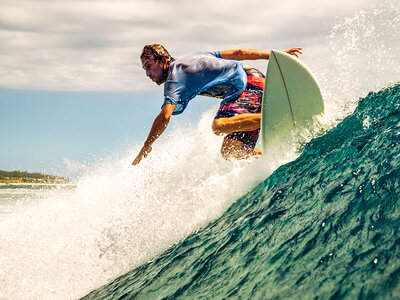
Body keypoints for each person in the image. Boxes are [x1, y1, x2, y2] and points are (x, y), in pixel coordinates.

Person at [132, 44, 302, 165]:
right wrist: (274, 55)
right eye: (144, 69)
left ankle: (280, 116)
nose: (147, 73)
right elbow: (239, 52)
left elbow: (165, 116)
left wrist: (147, 144)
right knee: (231, 151)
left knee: (219, 126)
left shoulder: (174, 77)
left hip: (245, 84)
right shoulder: (196, 56)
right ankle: (281, 158)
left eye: (149, 66)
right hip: (254, 78)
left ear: (163, 60)